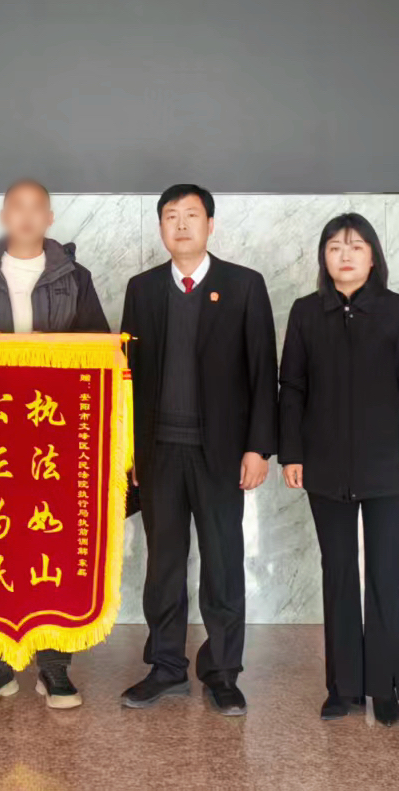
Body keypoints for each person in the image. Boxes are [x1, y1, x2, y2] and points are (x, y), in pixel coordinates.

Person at [0, 179, 110, 709]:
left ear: (50, 218)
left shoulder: (74, 277)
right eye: (18, 206)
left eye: (37, 208)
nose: (27, 216)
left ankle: (54, 666)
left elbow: (101, 349)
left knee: (52, 539)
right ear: (4, 215)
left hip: (55, 437)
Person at [118, 184, 277, 718]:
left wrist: (258, 448)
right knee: (162, 564)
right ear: (161, 227)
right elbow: (127, 379)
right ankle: (165, 667)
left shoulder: (244, 286)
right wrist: (128, 452)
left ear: (211, 224)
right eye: (171, 216)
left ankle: (222, 672)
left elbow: (263, 372)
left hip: (222, 453)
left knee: (223, 562)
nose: (181, 224)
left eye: (191, 215)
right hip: (159, 452)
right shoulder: (142, 290)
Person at [278, 212, 399, 727]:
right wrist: (292, 453)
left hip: (389, 466)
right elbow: (291, 388)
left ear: (373, 257)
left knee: (384, 570)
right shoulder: (306, 312)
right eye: (335, 247)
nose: (345, 256)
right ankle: (343, 687)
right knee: (339, 570)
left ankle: (384, 686)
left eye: (356, 246)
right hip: (323, 466)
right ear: (323, 258)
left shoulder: (398, 311)